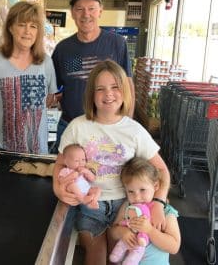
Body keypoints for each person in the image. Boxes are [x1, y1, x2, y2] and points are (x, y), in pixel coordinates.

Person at [53, 59, 171, 265]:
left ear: (124, 91)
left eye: (115, 87)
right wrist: (58, 189)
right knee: (95, 259)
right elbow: (59, 164)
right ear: (91, 94)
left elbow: (161, 169)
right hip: (90, 207)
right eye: (100, 89)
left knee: (118, 259)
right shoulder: (77, 127)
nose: (108, 94)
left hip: (126, 207)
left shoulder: (134, 130)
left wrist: (159, 204)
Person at [51, 0, 135, 152]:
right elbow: (56, 88)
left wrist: (126, 124)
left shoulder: (117, 44)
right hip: (70, 127)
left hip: (107, 129)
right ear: (72, 13)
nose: (86, 14)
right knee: (67, 175)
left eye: (91, 8)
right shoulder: (63, 49)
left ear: (100, 11)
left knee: (105, 176)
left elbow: (128, 86)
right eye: (80, 9)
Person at [0, 1, 57, 163]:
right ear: (11, 28)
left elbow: (50, 100)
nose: (28, 31)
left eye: (33, 26)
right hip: (0, 152)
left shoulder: (46, 62)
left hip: (37, 153)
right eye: (22, 24)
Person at [109, 157, 180, 265]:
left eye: (142, 190)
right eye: (131, 191)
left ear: (156, 186)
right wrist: (122, 232)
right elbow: (113, 232)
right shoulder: (127, 206)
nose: (137, 197)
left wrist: (150, 230)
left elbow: (174, 247)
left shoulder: (166, 212)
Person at [59, 143, 101, 209]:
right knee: (72, 185)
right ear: (66, 162)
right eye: (76, 161)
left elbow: (93, 179)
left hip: (86, 189)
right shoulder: (65, 171)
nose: (81, 163)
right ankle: (83, 199)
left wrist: (87, 172)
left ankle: (93, 202)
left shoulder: (84, 169)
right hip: (73, 190)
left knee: (98, 189)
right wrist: (70, 176)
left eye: (83, 160)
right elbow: (61, 182)